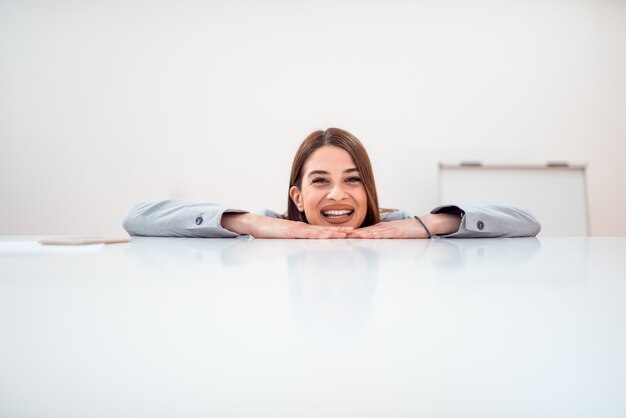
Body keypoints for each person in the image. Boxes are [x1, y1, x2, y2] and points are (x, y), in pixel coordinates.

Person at [123, 128, 541, 239]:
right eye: (320, 181)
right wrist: (247, 222)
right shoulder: (267, 227)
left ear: (369, 192)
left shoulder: (400, 227)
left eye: (353, 181)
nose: (338, 194)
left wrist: (432, 224)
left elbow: (525, 221)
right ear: (297, 197)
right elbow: (138, 217)